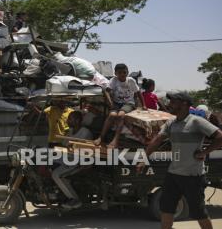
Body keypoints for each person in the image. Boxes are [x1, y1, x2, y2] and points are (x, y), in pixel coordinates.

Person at [137, 91, 222, 229]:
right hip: (173, 175)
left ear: (184, 104)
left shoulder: (196, 121)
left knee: (199, 212)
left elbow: (219, 137)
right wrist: (143, 158)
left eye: (173, 102)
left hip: (192, 176)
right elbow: (157, 140)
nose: (169, 104)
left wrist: (205, 152)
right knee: (166, 209)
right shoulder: (171, 123)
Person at [94, 63, 146, 148]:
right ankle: (101, 137)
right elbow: (106, 91)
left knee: (121, 115)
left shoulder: (131, 80)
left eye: (124, 72)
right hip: (117, 103)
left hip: (128, 102)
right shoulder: (113, 80)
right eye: (119, 73)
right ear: (116, 73)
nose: (122, 74)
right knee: (112, 115)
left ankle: (115, 140)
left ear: (127, 72)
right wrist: (110, 103)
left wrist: (144, 105)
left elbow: (138, 92)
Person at [52, 111, 93, 210]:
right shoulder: (70, 131)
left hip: (77, 161)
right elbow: (64, 145)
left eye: (70, 119)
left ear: (77, 120)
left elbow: (79, 149)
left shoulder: (85, 132)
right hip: (68, 157)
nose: (67, 121)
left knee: (56, 174)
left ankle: (74, 199)